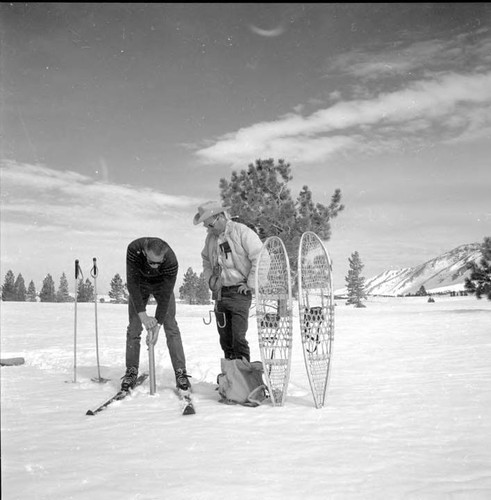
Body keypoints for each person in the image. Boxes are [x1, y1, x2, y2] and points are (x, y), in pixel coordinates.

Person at [193, 201, 263, 362]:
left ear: (220, 218)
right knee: (225, 340)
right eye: (206, 227)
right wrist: (211, 279)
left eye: (209, 225)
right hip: (220, 294)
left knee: (238, 338)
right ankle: (232, 378)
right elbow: (205, 259)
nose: (208, 229)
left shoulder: (242, 232)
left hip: (239, 292)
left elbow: (261, 256)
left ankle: (244, 377)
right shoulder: (211, 238)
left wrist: (251, 284)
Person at [121, 237, 190, 392]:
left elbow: (165, 296)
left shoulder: (171, 261)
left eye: (159, 263)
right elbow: (131, 283)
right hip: (139, 285)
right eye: (152, 262)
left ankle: (180, 372)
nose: (155, 266)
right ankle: (131, 370)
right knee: (134, 326)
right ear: (145, 253)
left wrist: (158, 325)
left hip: (161, 286)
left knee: (171, 325)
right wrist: (143, 316)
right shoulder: (134, 249)